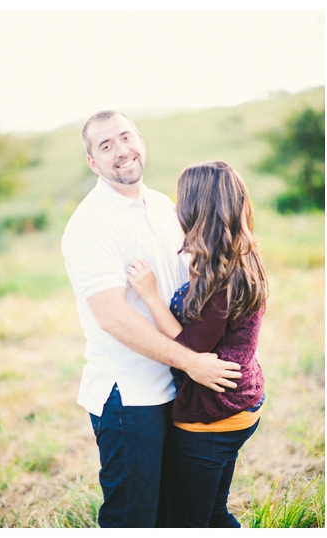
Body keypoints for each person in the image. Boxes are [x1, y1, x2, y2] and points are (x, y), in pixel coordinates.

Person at [61, 111, 243, 528]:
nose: (121, 151)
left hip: (180, 388)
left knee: (177, 515)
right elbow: (112, 317)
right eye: (106, 146)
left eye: (126, 137)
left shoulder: (163, 205)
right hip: (131, 396)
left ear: (141, 139)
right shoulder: (90, 225)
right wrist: (192, 362)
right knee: (134, 518)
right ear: (93, 162)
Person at [126, 161, 267, 527]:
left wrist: (151, 296)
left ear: (197, 209)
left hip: (213, 417)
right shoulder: (242, 254)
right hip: (240, 404)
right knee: (214, 514)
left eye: (181, 200)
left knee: (186, 524)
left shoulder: (220, 278)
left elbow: (191, 350)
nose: (175, 208)